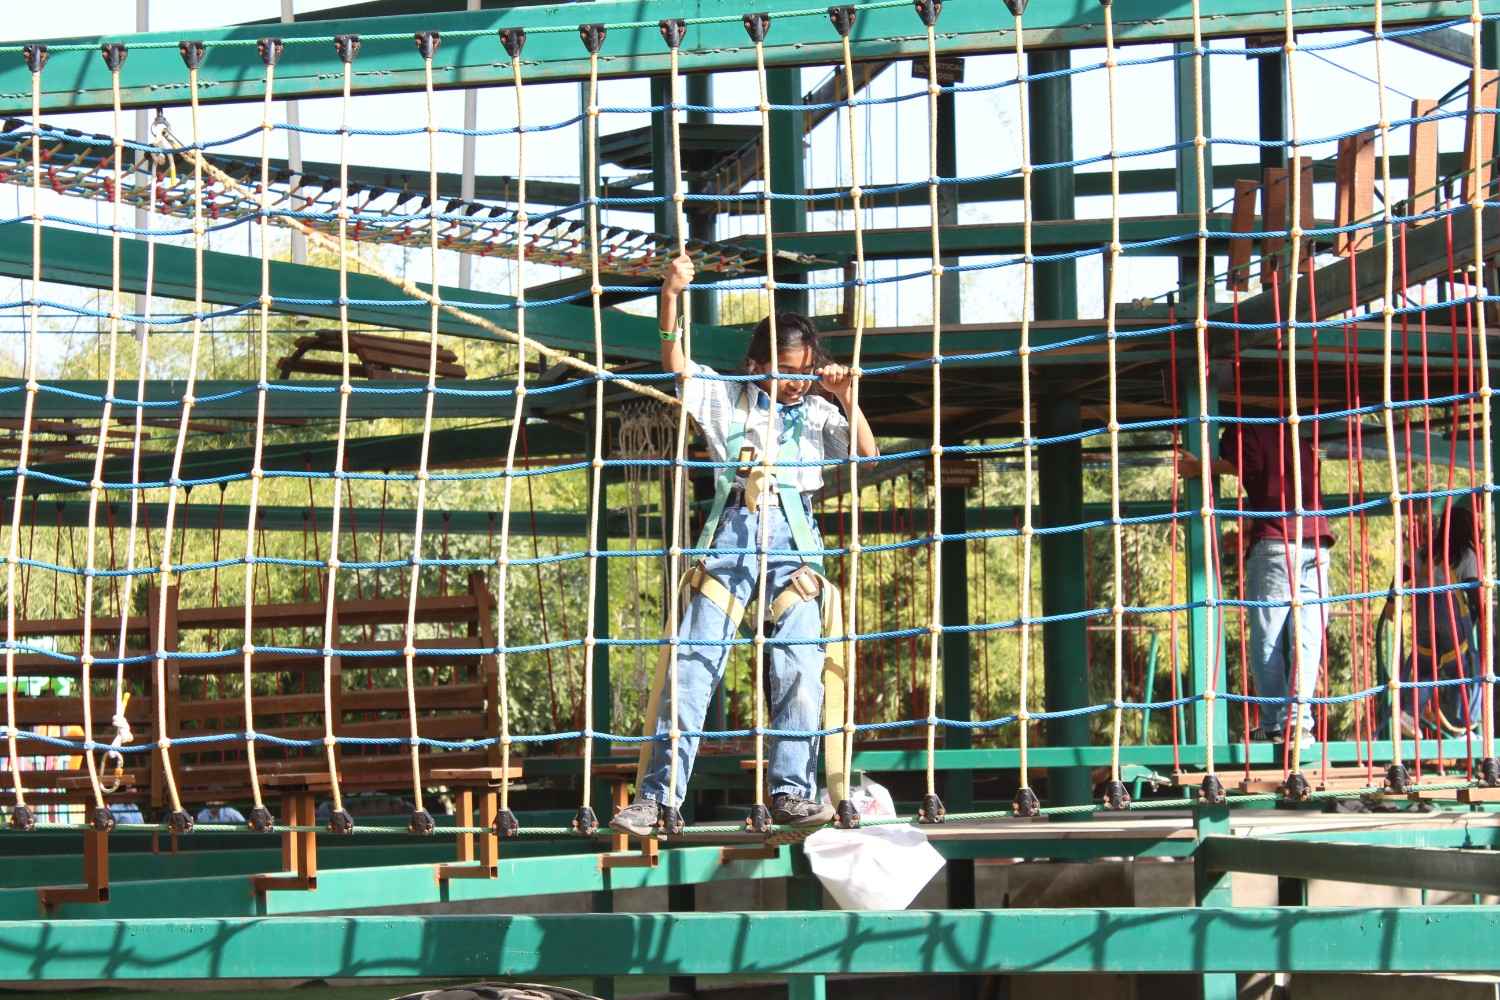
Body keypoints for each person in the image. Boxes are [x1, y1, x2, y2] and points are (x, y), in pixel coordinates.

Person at [610, 254, 879, 837]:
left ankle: (790, 790)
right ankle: (660, 799)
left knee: (801, 661)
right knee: (694, 660)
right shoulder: (726, 397)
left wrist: (845, 397)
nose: (793, 381)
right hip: (733, 531)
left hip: (794, 536)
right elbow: (675, 360)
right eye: (783, 370)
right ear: (755, 363)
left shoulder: (813, 411)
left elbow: (866, 454)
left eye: (804, 371)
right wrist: (671, 296)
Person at [1180, 418, 1333, 745]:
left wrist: (1200, 469)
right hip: (1317, 542)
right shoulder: (1296, 433)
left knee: (1269, 635)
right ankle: (1299, 722)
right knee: (1307, 637)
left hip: (1277, 541)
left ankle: (1275, 724)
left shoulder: (1243, 428)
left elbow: (1244, 463)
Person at [1378, 504, 1484, 737]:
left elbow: (1401, 573)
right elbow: (1476, 596)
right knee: (1471, 667)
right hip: (1450, 617)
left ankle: (1408, 712)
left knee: (1425, 667)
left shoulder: (1424, 552)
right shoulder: (1466, 555)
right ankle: (1465, 726)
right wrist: (1481, 622)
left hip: (1423, 616)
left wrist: (1391, 601)